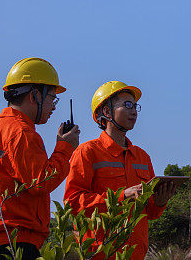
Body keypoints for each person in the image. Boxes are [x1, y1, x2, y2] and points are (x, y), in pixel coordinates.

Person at [0, 57, 81, 260]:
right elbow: (42, 181)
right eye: (52, 98)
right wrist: (65, 148)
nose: (53, 106)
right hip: (12, 245)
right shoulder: (21, 133)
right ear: (34, 95)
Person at [64, 81, 176, 260]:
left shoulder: (142, 157)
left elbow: (151, 214)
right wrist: (122, 196)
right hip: (100, 254)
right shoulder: (87, 152)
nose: (134, 111)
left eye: (135, 106)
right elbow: (73, 203)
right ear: (107, 112)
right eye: (127, 105)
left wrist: (160, 202)